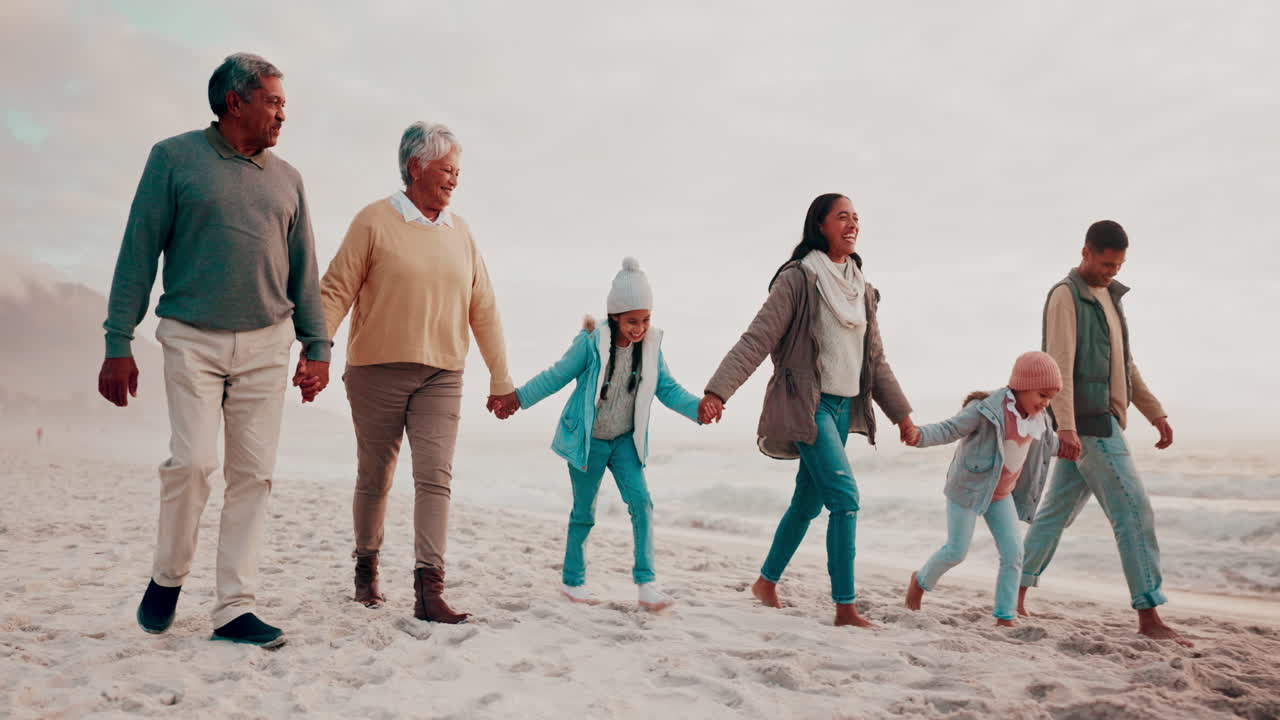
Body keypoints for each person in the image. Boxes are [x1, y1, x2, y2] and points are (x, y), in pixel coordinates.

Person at [99, 53, 331, 648]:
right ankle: (168, 576)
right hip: (191, 337)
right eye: (274, 101)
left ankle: (234, 609)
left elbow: (303, 271)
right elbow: (138, 251)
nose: (283, 113)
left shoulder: (289, 179)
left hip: (265, 344)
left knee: (254, 476)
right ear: (236, 102)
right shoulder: (173, 158)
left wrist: (317, 346)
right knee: (195, 463)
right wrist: (117, 339)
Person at [319, 121, 514, 624]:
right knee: (376, 475)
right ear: (416, 168)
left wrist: (500, 378)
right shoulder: (374, 221)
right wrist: (317, 351)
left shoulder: (461, 232)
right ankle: (366, 567)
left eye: (457, 172)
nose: (454, 180)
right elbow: (336, 289)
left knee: (435, 478)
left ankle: (430, 590)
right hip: (376, 370)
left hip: (441, 374)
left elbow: (484, 306)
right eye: (447, 170)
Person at [701, 193, 916, 627]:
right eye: (842, 217)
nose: (852, 224)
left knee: (806, 503)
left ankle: (766, 583)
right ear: (820, 225)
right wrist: (718, 392)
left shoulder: (862, 290)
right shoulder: (799, 279)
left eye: (856, 218)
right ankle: (845, 608)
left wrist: (902, 415)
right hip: (809, 406)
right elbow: (756, 339)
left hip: (841, 410)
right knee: (845, 498)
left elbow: (875, 362)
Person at [1019, 220, 1190, 646]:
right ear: (1086, 251)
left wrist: (1155, 413)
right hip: (1089, 423)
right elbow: (1058, 364)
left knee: (1054, 515)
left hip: (1104, 419)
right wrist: (1069, 427)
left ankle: (1012, 592)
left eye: (1118, 266)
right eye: (1106, 263)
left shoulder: (1110, 297)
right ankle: (1149, 616)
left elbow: (1124, 365)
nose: (1111, 272)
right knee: (1133, 511)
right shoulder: (1066, 295)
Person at [497, 258, 702, 610]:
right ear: (615, 317)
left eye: (646, 320)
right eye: (632, 321)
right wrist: (517, 399)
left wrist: (698, 408)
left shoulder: (651, 348)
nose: (640, 328)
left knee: (642, 503)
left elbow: (667, 388)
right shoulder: (592, 343)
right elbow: (556, 375)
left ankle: (646, 583)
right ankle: (573, 582)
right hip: (588, 441)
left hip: (625, 440)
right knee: (584, 512)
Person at [903, 352, 1062, 626]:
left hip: (1000, 495)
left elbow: (1048, 445)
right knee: (956, 551)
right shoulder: (986, 410)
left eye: (1050, 398)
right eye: (1041, 395)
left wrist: (1072, 447)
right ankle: (919, 581)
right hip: (967, 490)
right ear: (1022, 386)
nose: (1045, 403)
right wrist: (920, 435)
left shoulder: (1039, 419)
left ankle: (1004, 616)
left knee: (1014, 554)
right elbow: (950, 428)